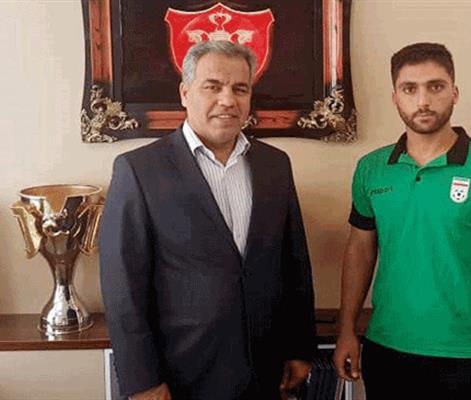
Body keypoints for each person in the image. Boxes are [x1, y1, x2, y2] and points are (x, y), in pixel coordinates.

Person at [99, 40, 317, 400]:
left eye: (240, 89)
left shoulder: (275, 165)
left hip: (265, 370)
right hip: (180, 375)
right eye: (212, 87)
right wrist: (143, 381)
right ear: (185, 93)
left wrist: (299, 347)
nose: (228, 100)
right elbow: (123, 286)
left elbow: (294, 264)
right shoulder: (139, 170)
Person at [333, 43, 471, 400]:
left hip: (467, 354)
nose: (423, 101)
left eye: (435, 86)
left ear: (454, 92)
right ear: (395, 97)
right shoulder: (371, 169)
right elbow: (360, 250)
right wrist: (346, 330)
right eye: (409, 89)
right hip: (386, 347)